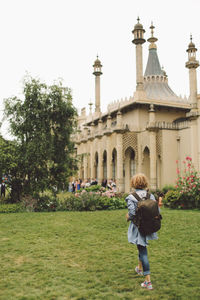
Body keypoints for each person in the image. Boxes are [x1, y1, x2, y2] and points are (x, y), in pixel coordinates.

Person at [125, 173, 158, 290]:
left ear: (133, 184)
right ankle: (139, 269)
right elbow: (156, 211)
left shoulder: (131, 197)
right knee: (141, 247)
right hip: (149, 225)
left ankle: (148, 281)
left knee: (143, 251)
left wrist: (127, 216)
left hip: (138, 227)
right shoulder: (151, 196)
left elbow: (132, 214)